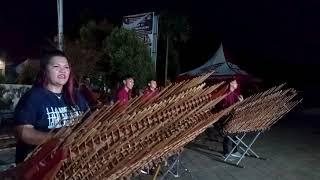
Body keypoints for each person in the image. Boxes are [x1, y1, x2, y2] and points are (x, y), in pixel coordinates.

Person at [14, 50, 89, 164]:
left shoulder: (76, 96)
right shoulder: (33, 97)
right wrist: (56, 140)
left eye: (66, 67)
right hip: (39, 165)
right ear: (45, 70)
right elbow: (23, 132)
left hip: (69, 163)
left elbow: (88, 120)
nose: (62, 70)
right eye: (56, 66)